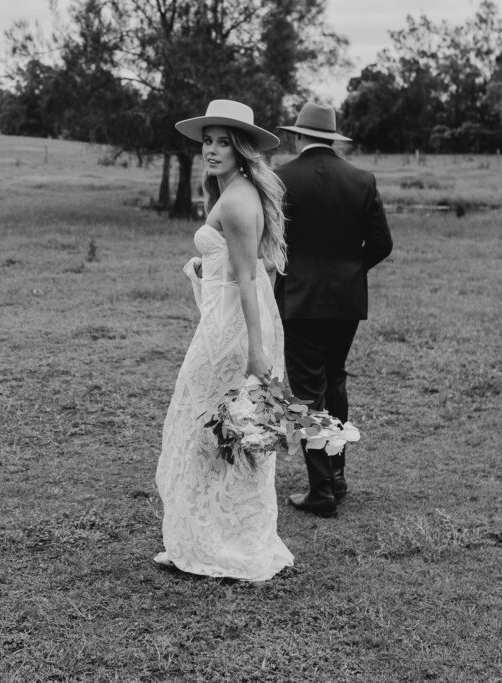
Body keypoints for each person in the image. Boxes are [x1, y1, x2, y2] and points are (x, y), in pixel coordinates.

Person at [154, 99, 294, 581]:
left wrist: (257, 349)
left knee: (205, 428)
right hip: (234, 322)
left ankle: (216, 541)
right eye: (207, 141)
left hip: (230, 333)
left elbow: (250, 281)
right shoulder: (240, 191)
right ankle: (217, 534)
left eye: (223, 142)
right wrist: (205, 269)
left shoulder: (235, 202)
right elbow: (257, 271)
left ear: (242, 149)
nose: (211, 150)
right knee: (226, 430)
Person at [275, 102, 393, 518]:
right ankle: (336, 476)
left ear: (297, 136)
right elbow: (381, 245)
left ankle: (321, 489)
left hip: (299, 300)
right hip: (345, 302)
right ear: (332, 138)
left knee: (307, 393)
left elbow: (272, 241)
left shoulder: (280, 179)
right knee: (335, 381)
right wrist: (347, 271)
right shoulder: (361, 180)